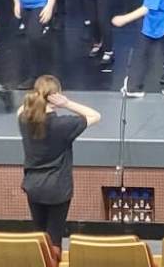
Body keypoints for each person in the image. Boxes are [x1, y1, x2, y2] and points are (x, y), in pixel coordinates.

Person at [19, 76, 102, 250]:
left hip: (33, 186)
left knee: (39, 236)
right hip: (57, 188)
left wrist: (38, 100)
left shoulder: (24, 119)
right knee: (54, 240)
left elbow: (22, 109)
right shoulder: (63, 125)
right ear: (57, 96)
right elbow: (95, 115)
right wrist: (67, 103)